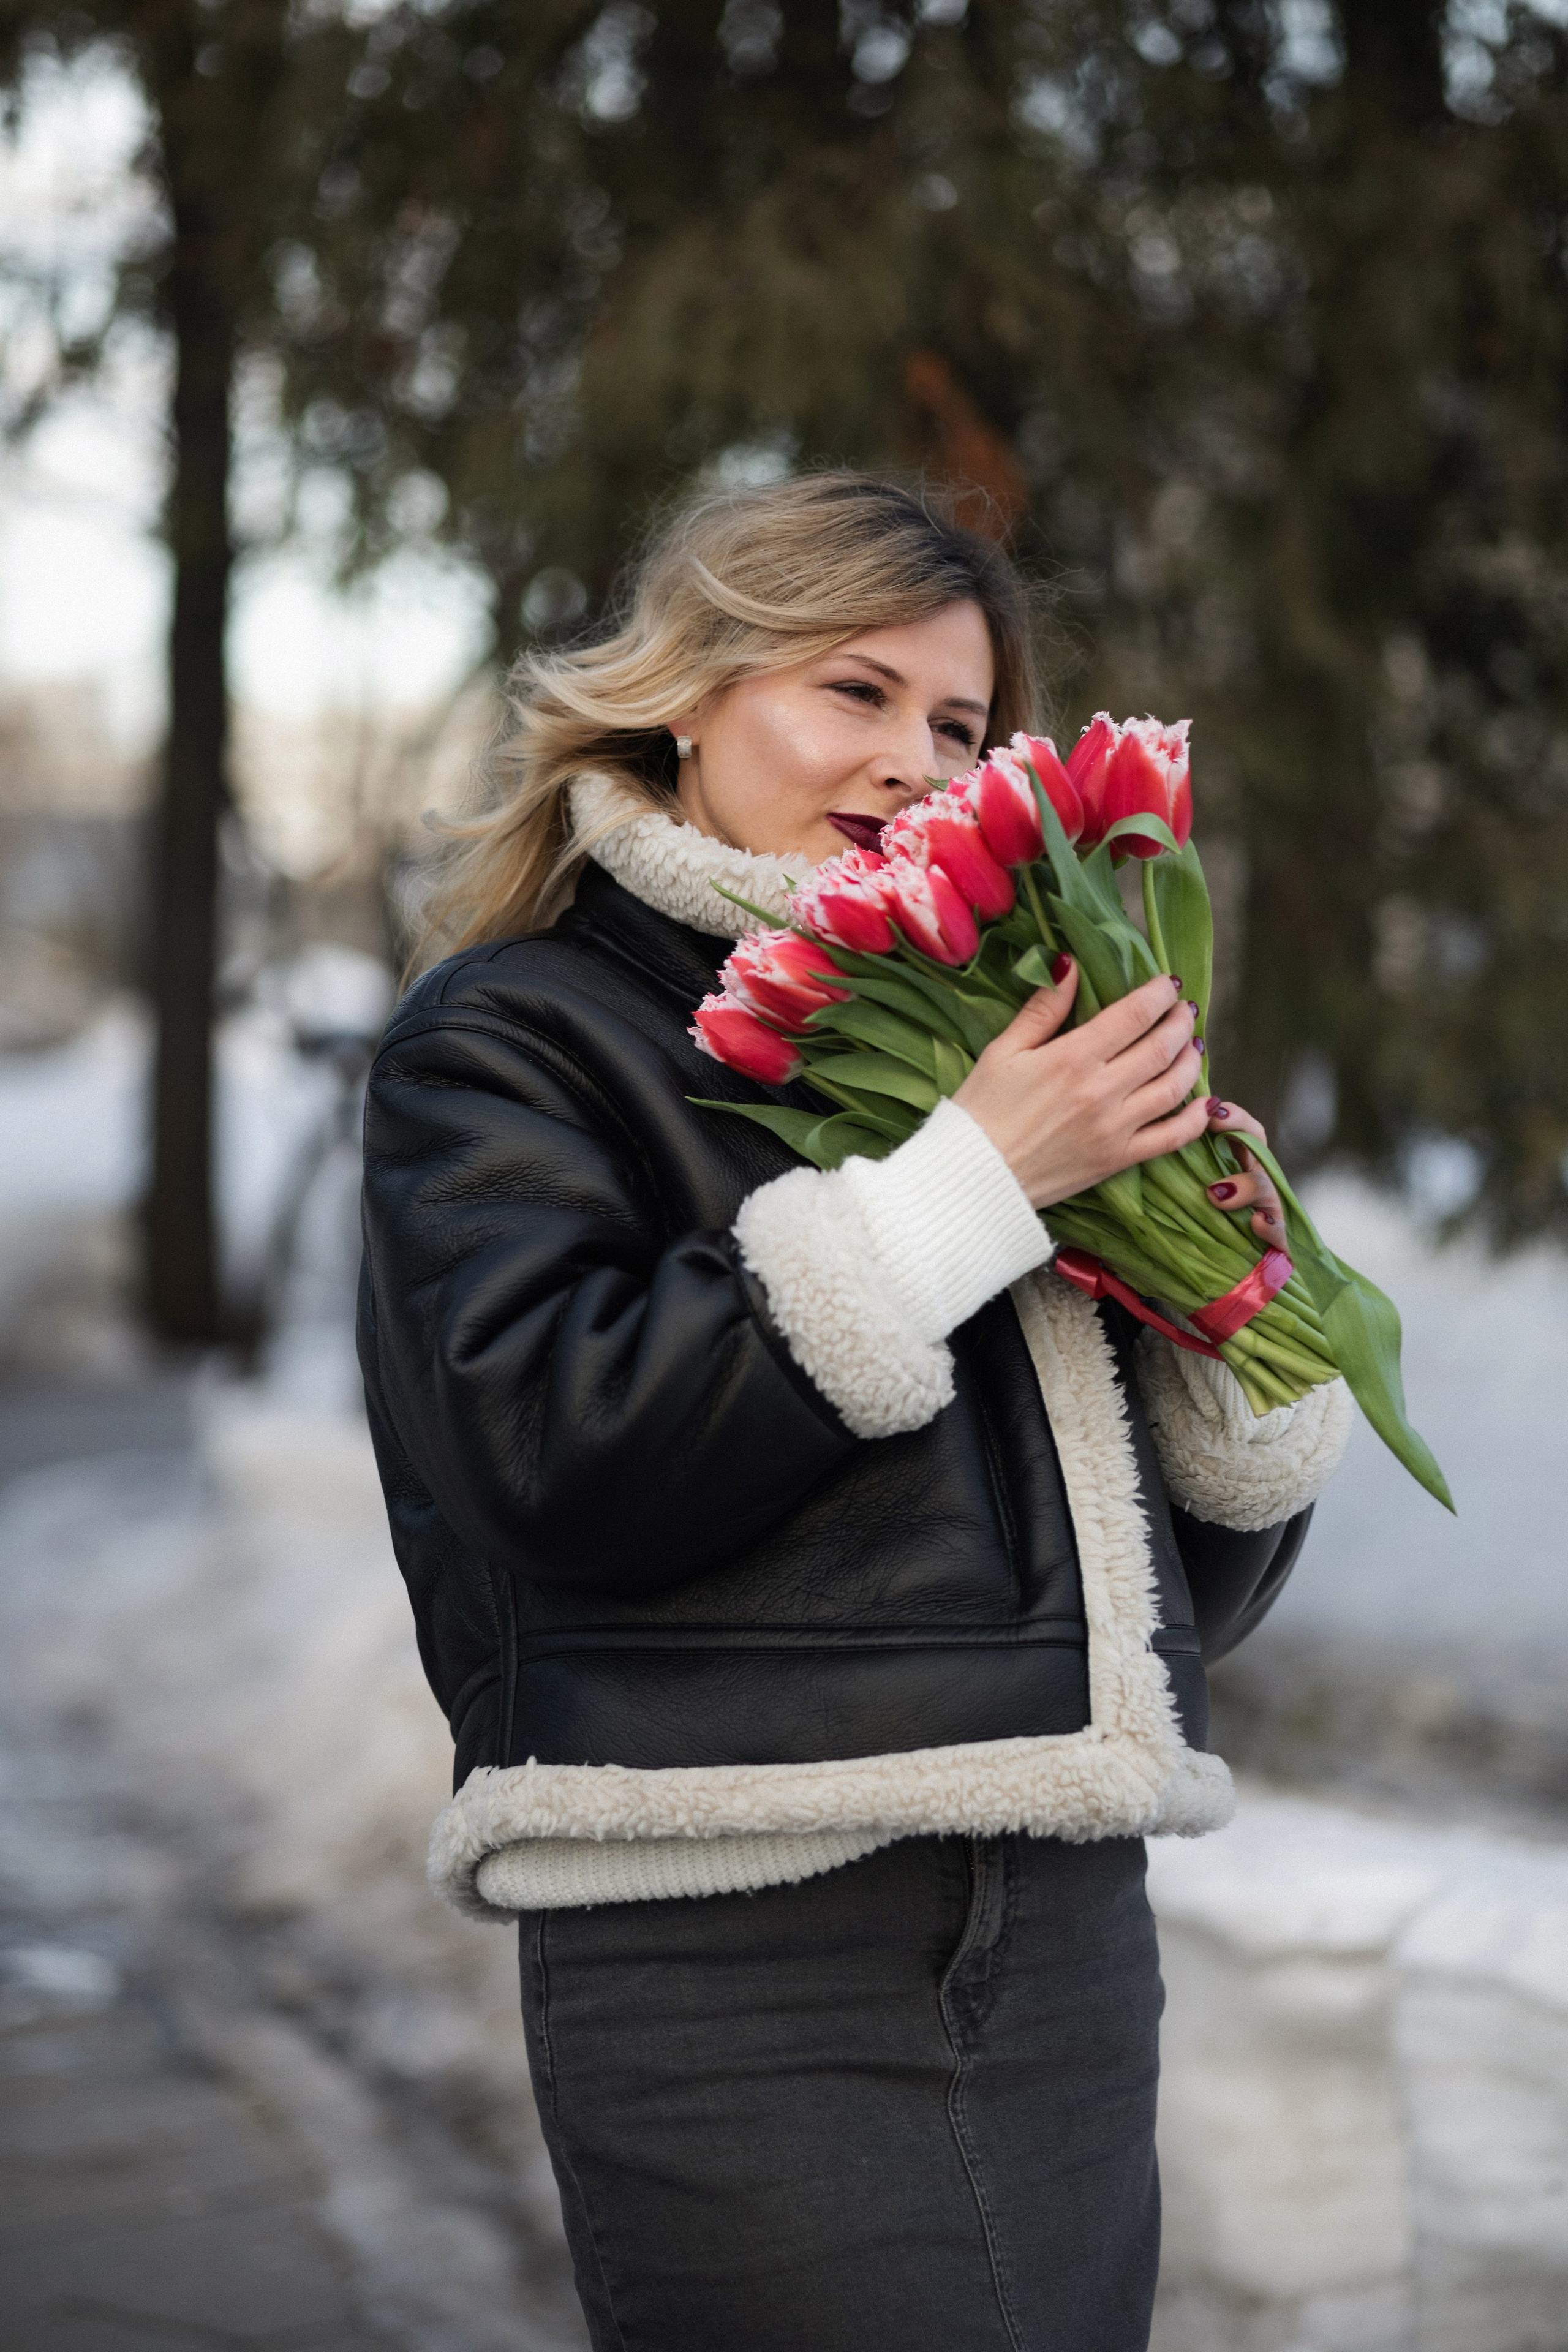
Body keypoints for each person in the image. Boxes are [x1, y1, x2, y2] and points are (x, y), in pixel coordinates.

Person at [358, 473, 1349, 2352]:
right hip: (737, 1940)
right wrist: (972, 1180)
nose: (915, 760)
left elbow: (1147, 1610)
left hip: (1061, 1933)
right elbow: (547, 1446)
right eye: (856, 692)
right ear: (688, 696)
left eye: (960, 725)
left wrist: (1224, 1310)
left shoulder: (1005, 1037)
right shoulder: (516, 1034)